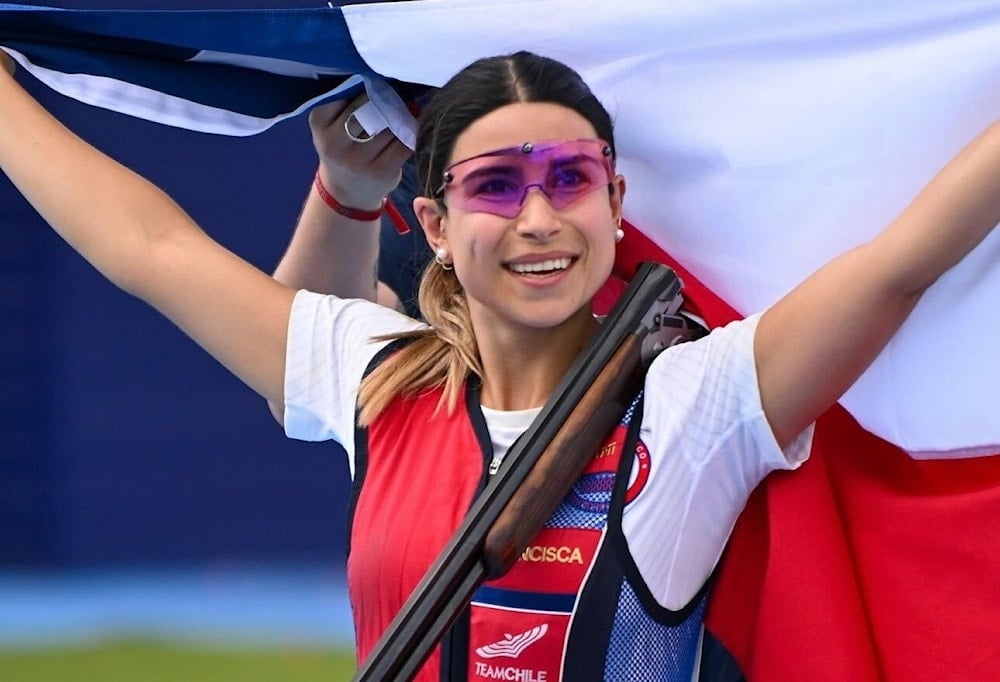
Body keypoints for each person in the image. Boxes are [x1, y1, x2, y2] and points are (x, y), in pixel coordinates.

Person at [1, 47, 997, 681]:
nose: (537, 218)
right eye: (495, 186)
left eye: (571, 182)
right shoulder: (377, 373)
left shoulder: (701, 401)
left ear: (615, 207)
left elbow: (901, 262)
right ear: (432, 223)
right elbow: (151, 248)